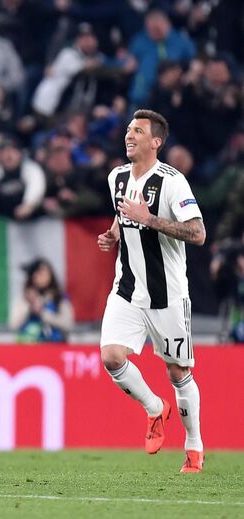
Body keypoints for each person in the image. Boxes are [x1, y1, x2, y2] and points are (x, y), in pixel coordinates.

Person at [97, 109, 206, 473]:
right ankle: (155, 408)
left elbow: (198, 233)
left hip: (167, 296)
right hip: (127, 290)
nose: (129, 135)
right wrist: (114, 233)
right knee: (111, 357)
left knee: (178, 372)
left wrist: (150, 219)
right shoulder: (116, 177)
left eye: (138, 131)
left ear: (156, 142)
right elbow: (122, 213)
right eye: (129, 129)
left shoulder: (173, 182)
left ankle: (194, 446)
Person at [9, 258, 74, 343]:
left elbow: (68, 324)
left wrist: (43, 313)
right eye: (37, 273)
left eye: (43, 273)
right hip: (27, 346)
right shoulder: (24, 298)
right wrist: (29, 305)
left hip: (54, 345)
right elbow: (13, 324)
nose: (40, 276)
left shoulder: (60, 297)